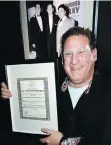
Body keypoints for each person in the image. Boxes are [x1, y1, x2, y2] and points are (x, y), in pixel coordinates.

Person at [1, 27, 111, 145]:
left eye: (81, 52)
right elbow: (29, 130)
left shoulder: (107, 92)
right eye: (68, 54)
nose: (74, 61)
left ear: (94, 55)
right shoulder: (49, 88)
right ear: (62, 59)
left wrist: (62, 142)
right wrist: (11, 99)